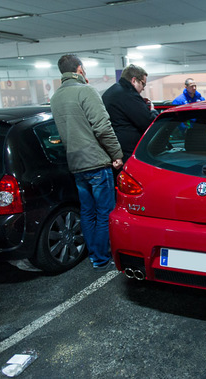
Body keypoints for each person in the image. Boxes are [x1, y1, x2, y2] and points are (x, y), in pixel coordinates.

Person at [50, 54, 123, 270]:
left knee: (87, 212)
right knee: (104, 212)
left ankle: (94, 255)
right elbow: (102, 127)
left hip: (75, 164)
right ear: (80, 69)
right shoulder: (86, 91)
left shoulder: (56, 97)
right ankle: (101, 257)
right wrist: (116, 154)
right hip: (96, 163)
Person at [102, 64, 158, 164]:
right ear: (133, 80)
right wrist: (152, 110)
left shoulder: (111, 91)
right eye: (143, 84)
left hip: (115, 151)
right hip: (128, 153)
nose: (143, 88)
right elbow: (148, 122)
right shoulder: (129, 95)